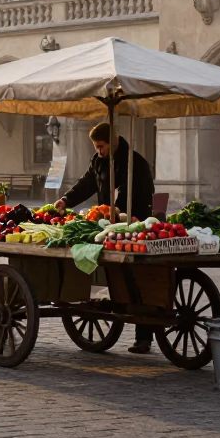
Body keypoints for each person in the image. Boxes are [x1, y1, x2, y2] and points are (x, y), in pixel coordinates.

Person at [55, 122, 156, 353]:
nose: (98, 151)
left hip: (134, 225)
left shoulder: (134, 163)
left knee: (138, 278)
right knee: (116, 275)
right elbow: (87, 183)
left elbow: (130, 192)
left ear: (114, 141)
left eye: (101, 146)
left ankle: (144, 337)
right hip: (108, 225)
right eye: (96, 147)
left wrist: (117, 211)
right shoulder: (98, 160)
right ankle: (112, 303)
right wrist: (66, 200)